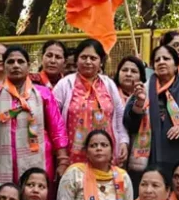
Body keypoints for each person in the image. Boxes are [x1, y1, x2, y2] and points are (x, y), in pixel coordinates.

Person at [0, 46, 69, 196]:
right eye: (10, 62)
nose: (16, 65)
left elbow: (57, 130)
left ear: (28, 66)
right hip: (0, 162)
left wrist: (63, 161)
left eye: (20, 61)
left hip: (40, 160)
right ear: (4, 66)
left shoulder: (44, 94)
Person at [124, 45, 179, 187]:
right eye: (157, 60)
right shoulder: (142, 89)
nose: (161, 62)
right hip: (149, 160)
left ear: (176, 65)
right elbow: (129, 124)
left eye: (166, 58)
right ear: (153, 66)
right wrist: (139, 103)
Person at [52, 38, 130, 166]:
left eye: (93, 58)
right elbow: (54, 121)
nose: (88, 62)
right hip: (72, 157)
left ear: (101, 62)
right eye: (84, 57)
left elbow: (119, 117)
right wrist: (61, 156)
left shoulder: (109, 85)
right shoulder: (65, 84)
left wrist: (123, 142)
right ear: (77, 60)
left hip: (105, 157)